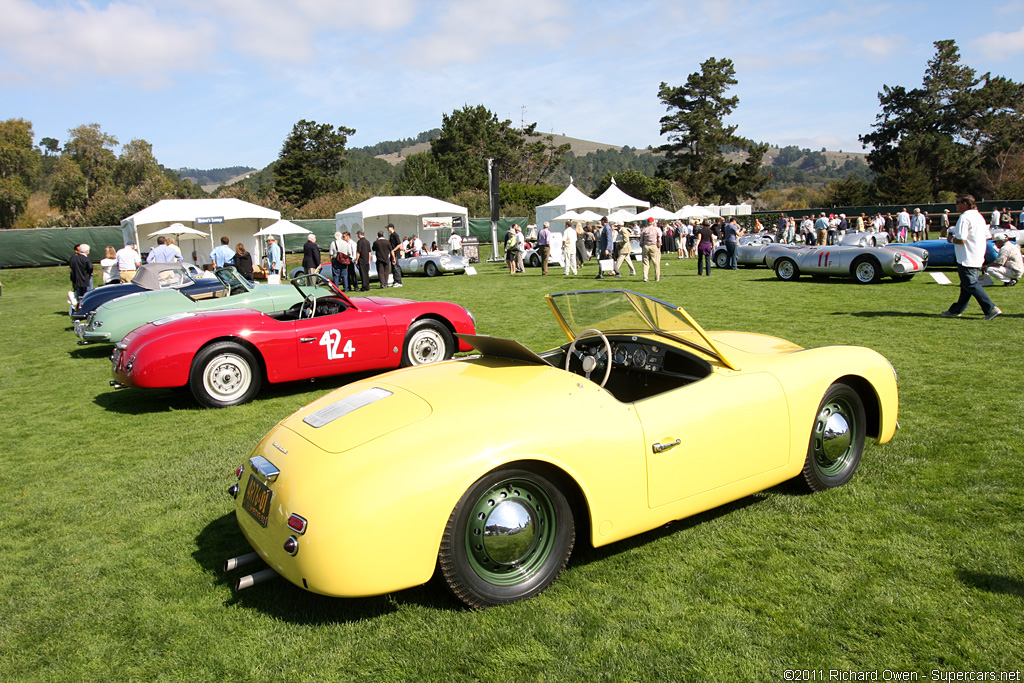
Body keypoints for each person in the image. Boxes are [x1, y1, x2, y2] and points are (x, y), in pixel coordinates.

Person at [942, 194, 1001, 320]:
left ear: (965, 204)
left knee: (970, 284)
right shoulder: (979, 216)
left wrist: (951, 239)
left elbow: (961, 239)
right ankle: (956, 310)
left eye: (958, 202)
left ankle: (990, 308)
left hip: (966, 256)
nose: (956, 205)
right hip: (978, 254)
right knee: (966, 285)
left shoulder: (964, 218)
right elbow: (987, 235)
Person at [640, 217, 661, 281]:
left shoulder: (644, 229)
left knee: (645, 262)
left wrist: (642, 245)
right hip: (654, 246)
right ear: (653, 222)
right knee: (656, 263)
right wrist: (659, 245)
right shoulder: (657, 229)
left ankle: (645, 277)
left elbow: (641, 239)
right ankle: (657, 277)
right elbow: (659, 238)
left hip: (646, 246)